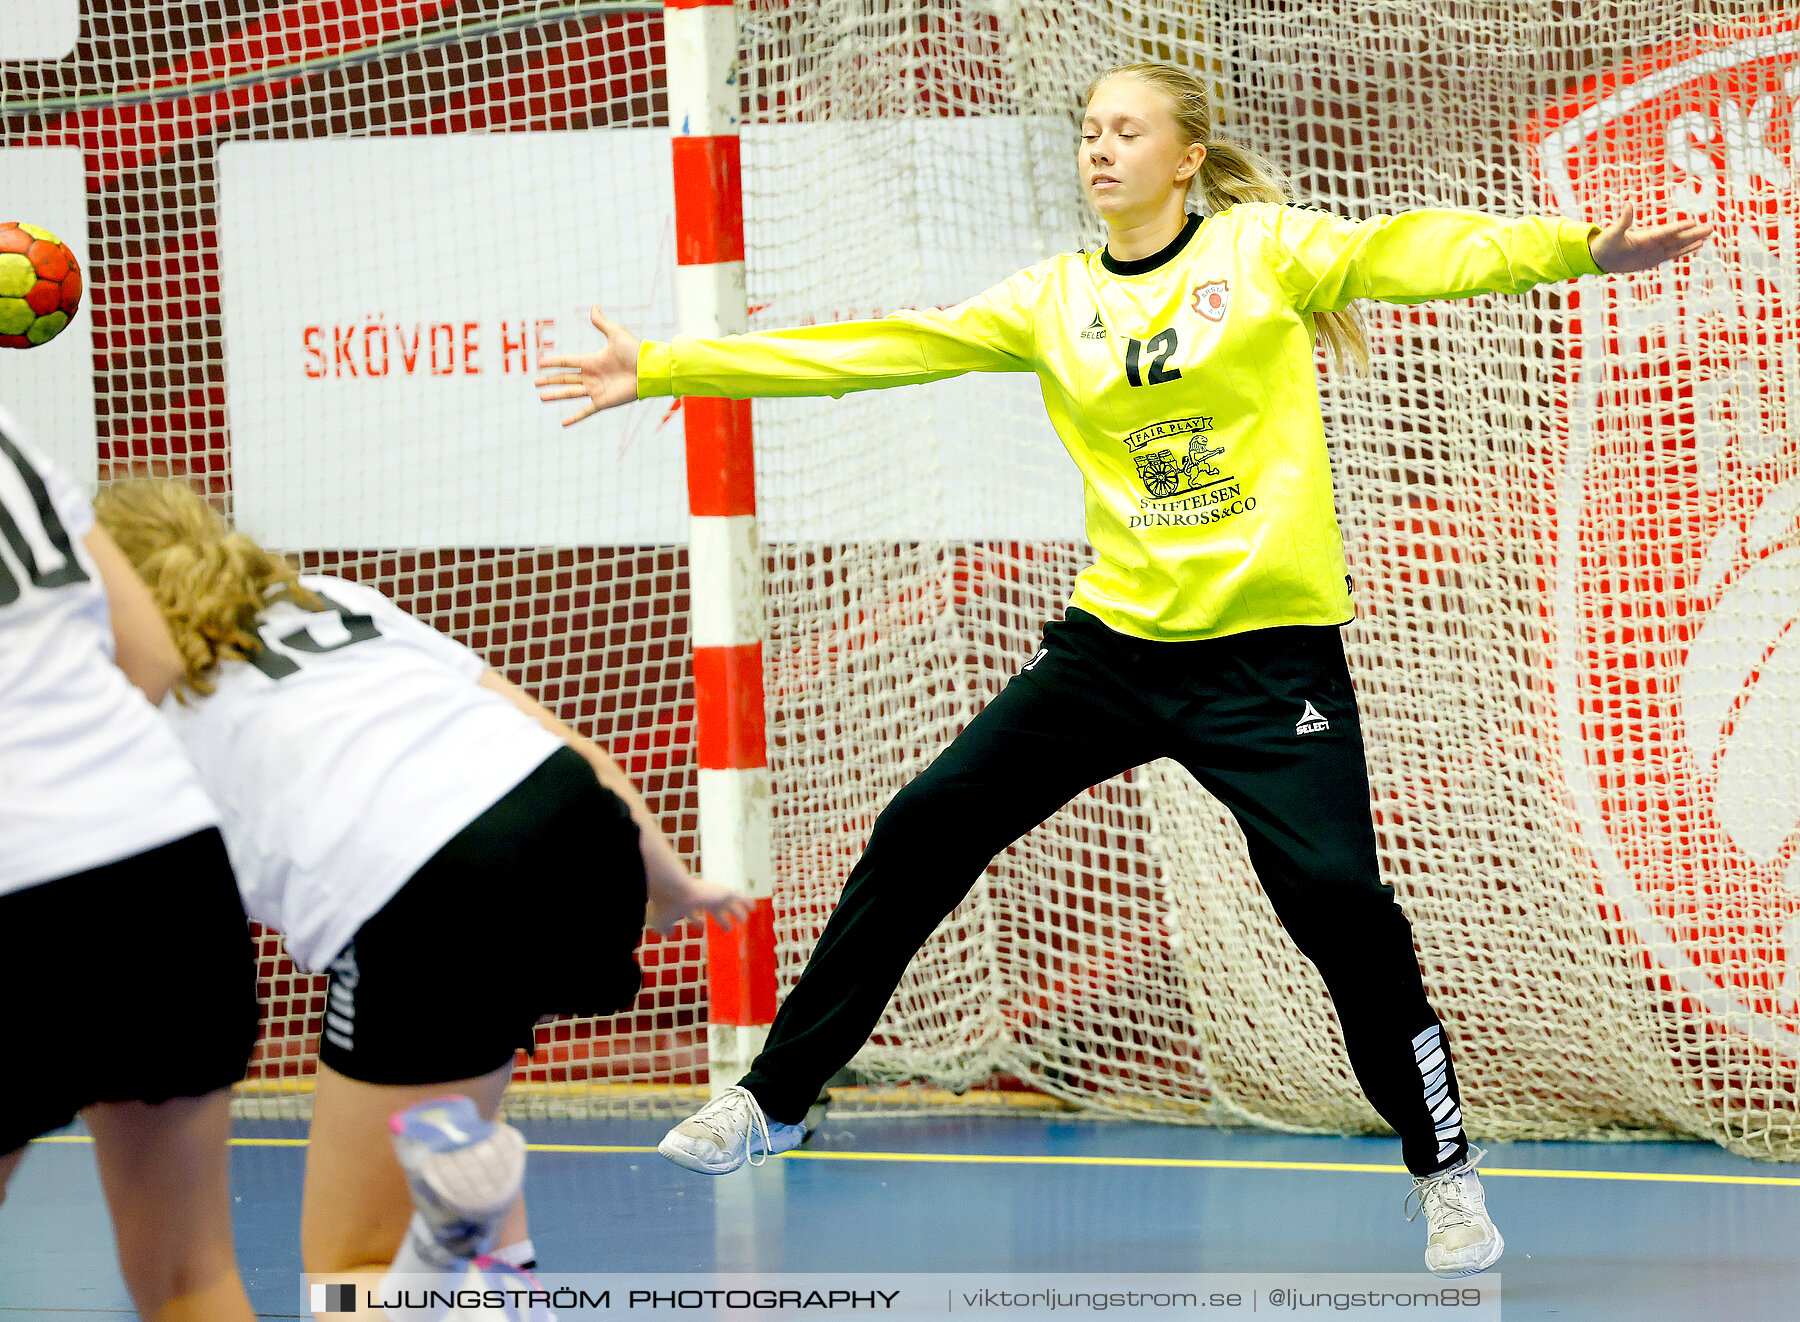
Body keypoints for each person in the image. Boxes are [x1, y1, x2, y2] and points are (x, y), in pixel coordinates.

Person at [533, 60, 1713, 1277]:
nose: (1099, 148)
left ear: (1185, 157)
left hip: (1266, 668)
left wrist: (1577, 248)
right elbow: (882, 349)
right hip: (1114, 651)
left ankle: (1446, 1171)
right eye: (1089, 130)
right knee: (926, 821)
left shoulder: (1261, 255)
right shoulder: (1053, 300)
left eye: (1126, 130)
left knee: (1344, 914)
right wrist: (671, 365)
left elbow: (1417, 251)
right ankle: (776, 1096)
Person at [93, 478, 751, 1302]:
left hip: (428, 889)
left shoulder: (130, 694)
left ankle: (441, 1244)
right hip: (577, 832)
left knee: (352, 1272)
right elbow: (571, 748)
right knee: (457, 1136)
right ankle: (471, 1237)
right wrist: (673, 885)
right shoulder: (331, 601)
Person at [0, 411, 260, 1320]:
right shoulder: (12, 434)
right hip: (162, 860)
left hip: (17, 874)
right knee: (192, 1277)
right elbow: (147, 660)